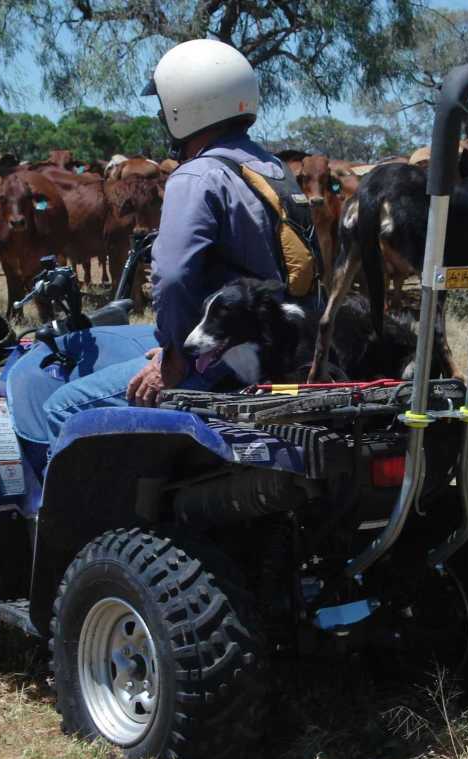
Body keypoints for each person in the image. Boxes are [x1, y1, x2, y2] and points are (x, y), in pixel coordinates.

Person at [36, 38, 294, 450]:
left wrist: (173, 361)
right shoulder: (275, 170)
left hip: (215, 361)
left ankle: (76, 515)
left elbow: (173, 277)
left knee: (60, 409)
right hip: (270, 348)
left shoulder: (196, 176)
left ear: (184, 107)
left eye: (163, 107)